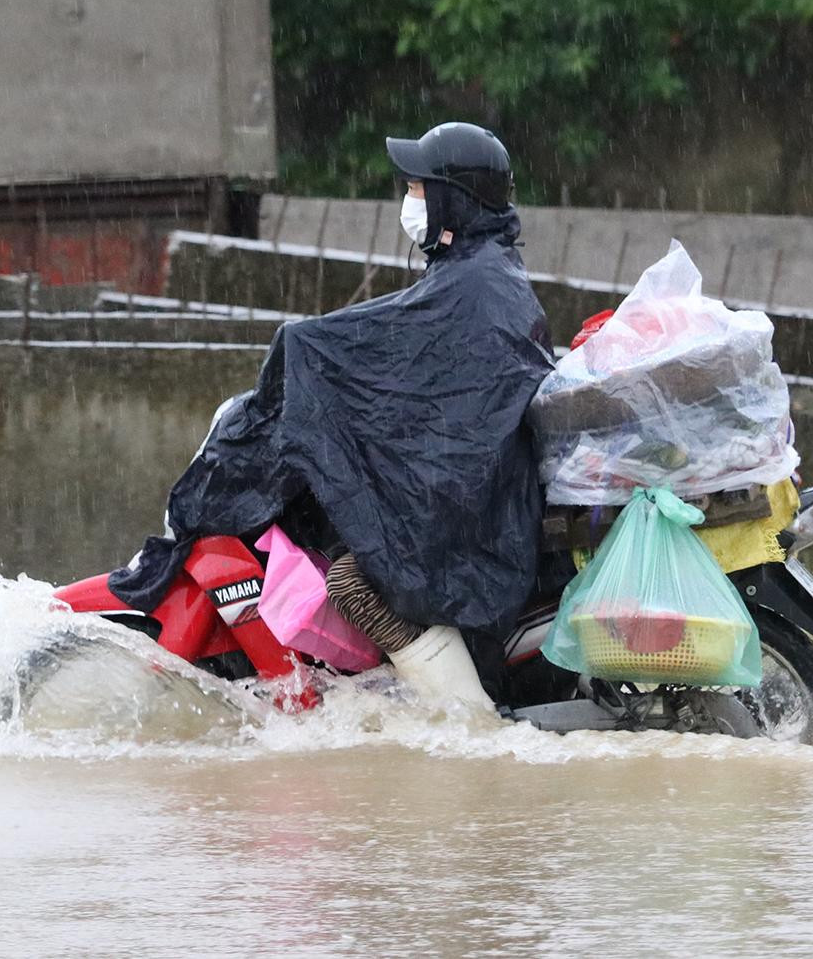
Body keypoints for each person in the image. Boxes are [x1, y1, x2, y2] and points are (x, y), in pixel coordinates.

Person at [106, 122, 554, 710]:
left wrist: (307, 350)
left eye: (419, 188)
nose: (410, 202)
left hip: (469, 512)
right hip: (468, 492)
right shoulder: (478, 273)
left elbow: (376, 354)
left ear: (454, 199)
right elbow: (404, 372)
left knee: (356, 581)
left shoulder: (475, 285)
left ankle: (471, 726)